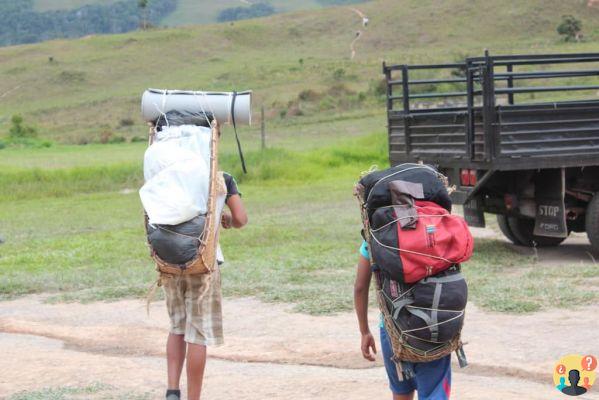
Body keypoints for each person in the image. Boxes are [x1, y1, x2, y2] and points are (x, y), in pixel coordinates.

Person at [163, 172, 248, 400]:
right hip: (204, 262)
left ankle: (172, 391)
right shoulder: (220, 177)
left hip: (170, 259)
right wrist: (227, 219)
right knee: (197, 335)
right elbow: (241, 218)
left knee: (177, 327)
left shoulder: (171, 172)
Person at [354, 241, 452, 400]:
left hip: (392, 331)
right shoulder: (436, 229)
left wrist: (364, 331)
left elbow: (359, 287)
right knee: (434, 393)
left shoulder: (375, 234)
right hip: (434, 329)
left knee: (401, 393)